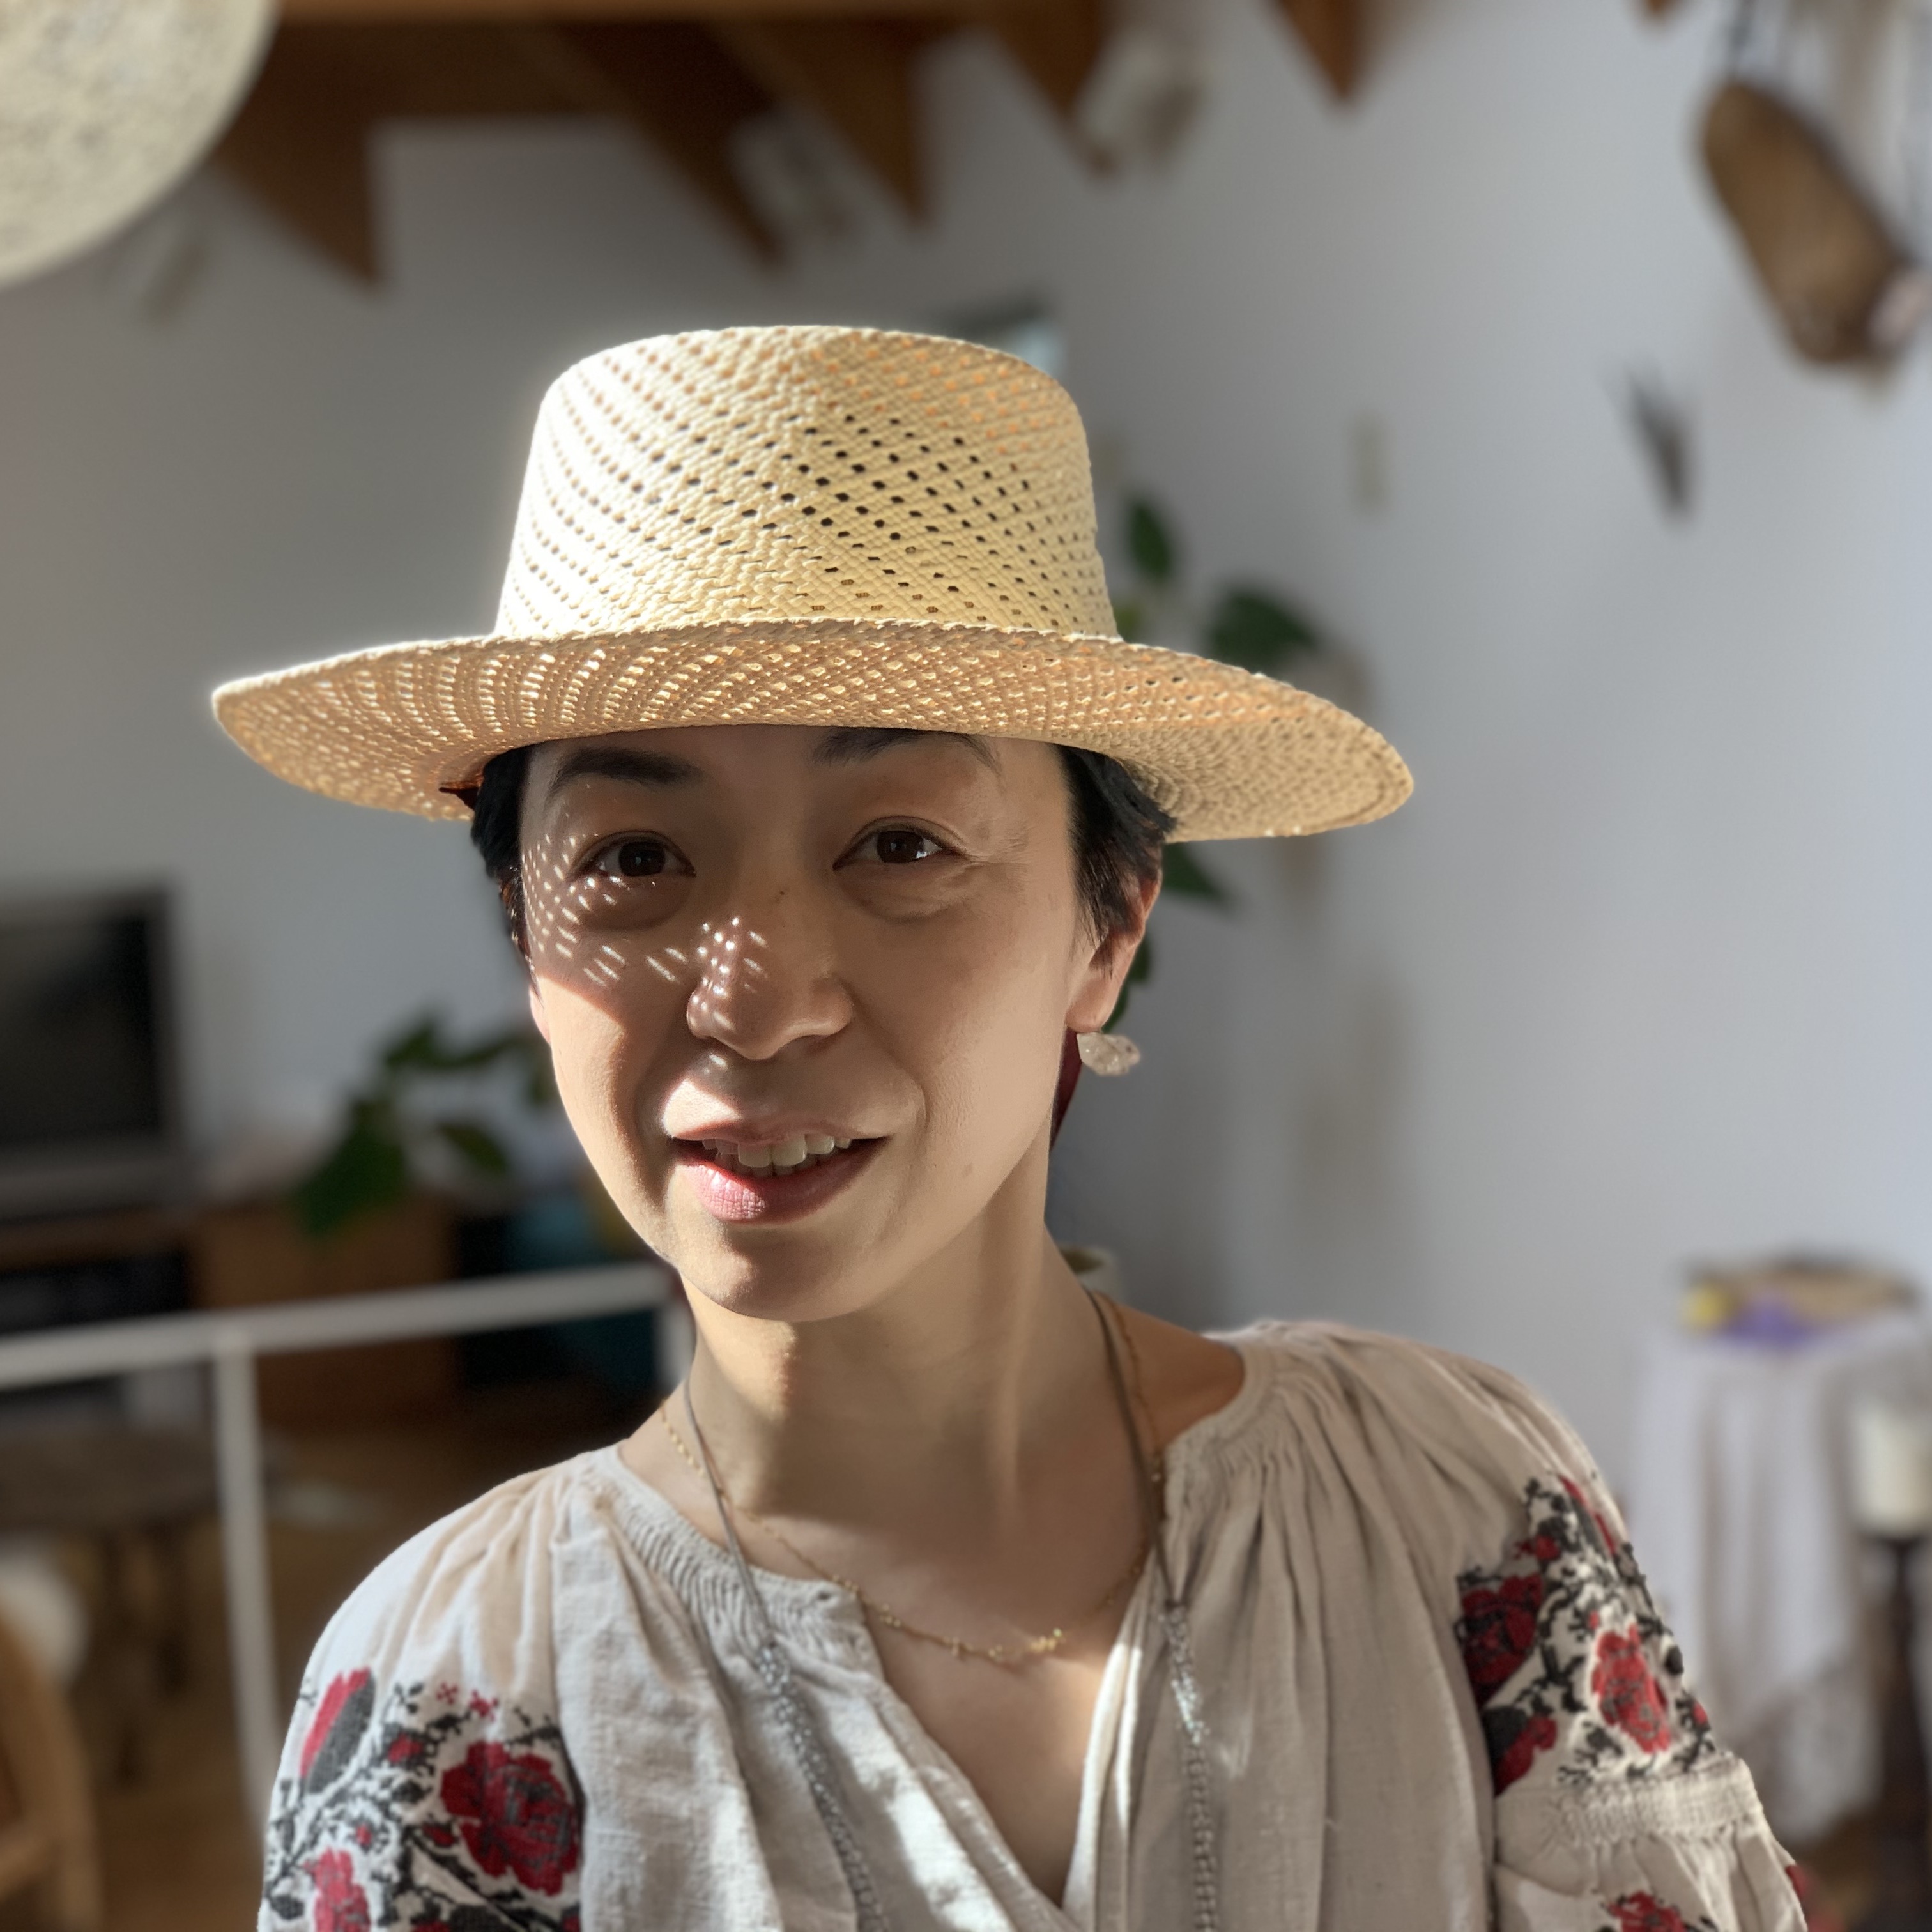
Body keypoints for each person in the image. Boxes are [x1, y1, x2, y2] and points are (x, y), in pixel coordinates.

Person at [217, 328, 1799, 1932]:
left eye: (900, 844)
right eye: (633, 862)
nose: (755, 1007)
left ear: (1107, 931)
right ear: (525, 942)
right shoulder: (464, 1693)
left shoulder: (1444, 1510)